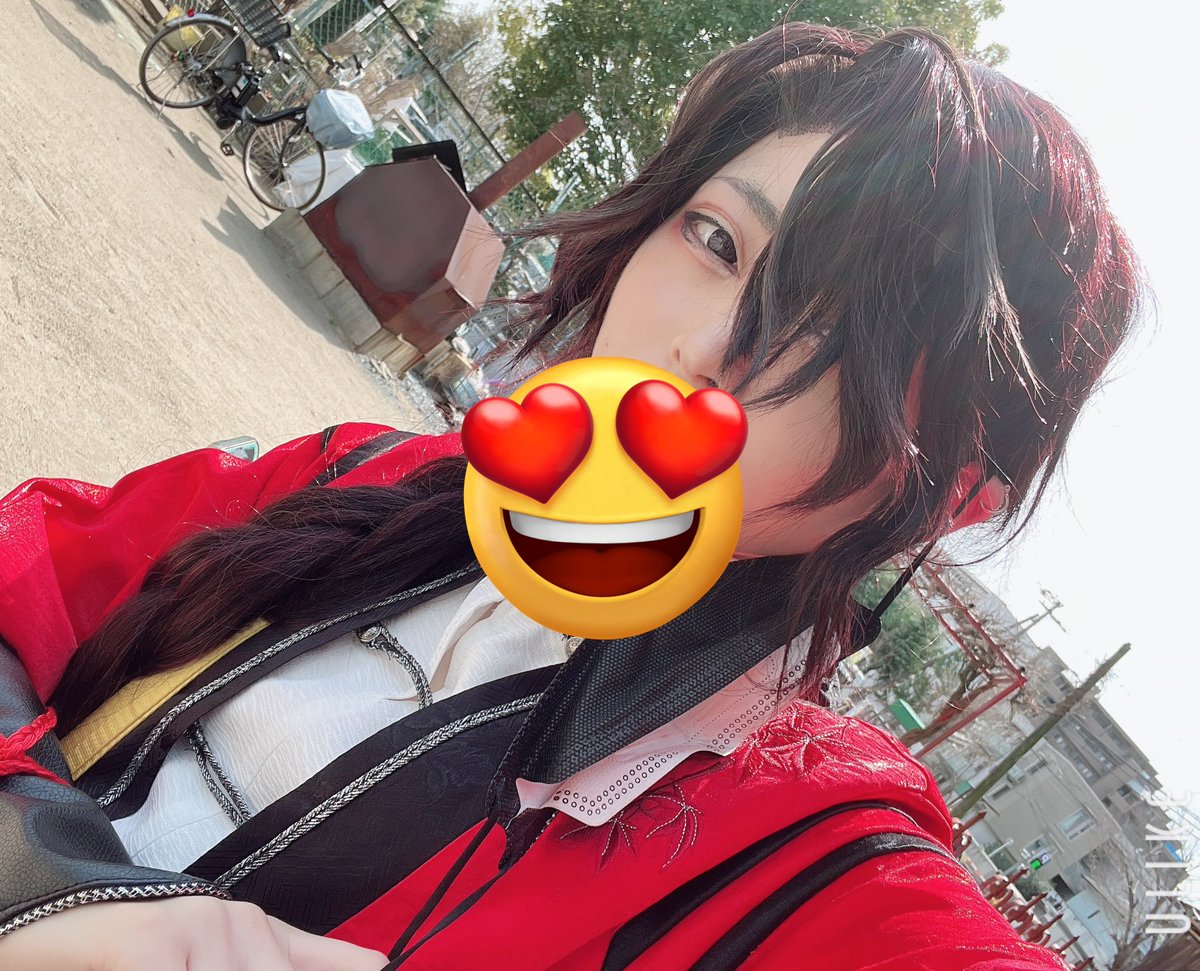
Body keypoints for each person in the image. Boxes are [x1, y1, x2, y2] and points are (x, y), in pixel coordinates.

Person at [0, 20, 1144, 971]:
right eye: (716, 239)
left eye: (840, 343)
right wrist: (43, 873)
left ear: (950, 494)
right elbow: (31, 568)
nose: (703, 347)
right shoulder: (371, 472)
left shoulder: (806, 853)